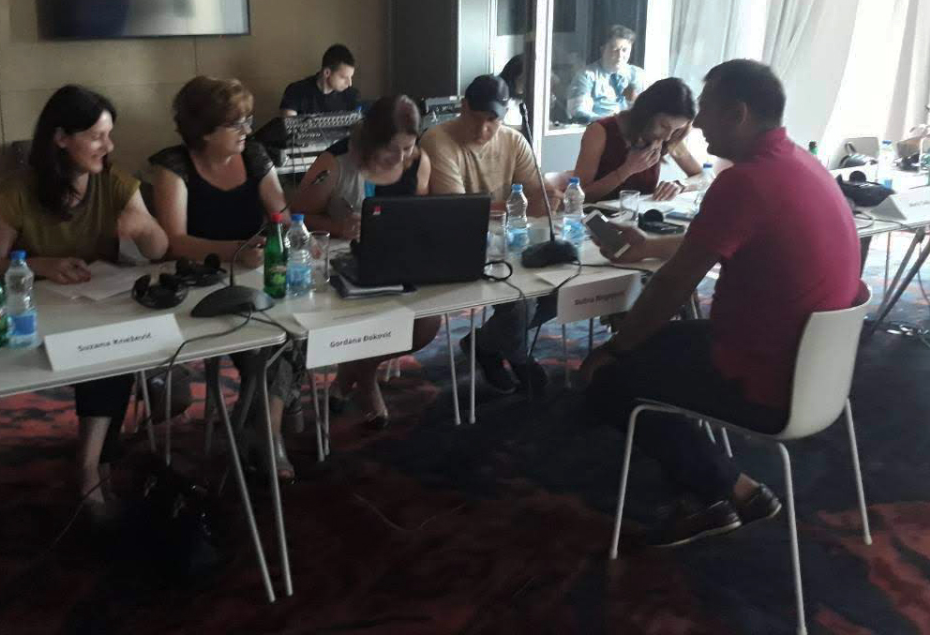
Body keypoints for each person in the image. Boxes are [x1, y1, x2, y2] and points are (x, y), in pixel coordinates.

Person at [581, 60, 861, 547]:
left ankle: (727, 492)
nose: (696, 126)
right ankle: (707, 489)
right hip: (815, 365)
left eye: (705, 111)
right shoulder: (800, 163)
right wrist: (649, 247)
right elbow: (720, 242)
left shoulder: (745, 182)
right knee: (657, 347)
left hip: (764, 373)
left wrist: (614, 348)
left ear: (737, 114)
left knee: (610, 379)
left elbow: (673, 286)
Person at [0, 85, 169, 515]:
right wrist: (38, 264)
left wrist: (143, 228)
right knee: (109, 350)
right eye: (97, 136)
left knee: (113, 349)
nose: (109, 146)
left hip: (98, 307)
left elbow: (160, 249)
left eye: (109, 135)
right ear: (60, 138)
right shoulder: (16, 192)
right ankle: (94, 466)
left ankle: (90, 465)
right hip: (35, 317)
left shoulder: (114, 181)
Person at [149, 77, 299, 479]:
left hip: (254, 277)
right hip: (197, 287)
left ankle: (265, 429)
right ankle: (266, 430)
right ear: (204, 130)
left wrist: (288, 235)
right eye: (236, 124)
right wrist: (236, 250)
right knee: (270, 343)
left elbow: (281, 216)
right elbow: (174, 242)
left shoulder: (254, 155)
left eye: (248, 120)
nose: (247, 130)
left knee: (291, 334)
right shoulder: (173, 166)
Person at [292, 95, 442, 427]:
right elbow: (297, 216)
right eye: (393, 150)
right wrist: (338, 227)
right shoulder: (335, 162)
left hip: (396, 259)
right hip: (342, 266)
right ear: (372, 140)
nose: (401, 158)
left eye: (408, 148)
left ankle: (357, 371)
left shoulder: (418, 161)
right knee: (365, 316)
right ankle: (365, 381)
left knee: (428, 323)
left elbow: (420, 214)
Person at [421, 74, 561, 394]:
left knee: (562, 285)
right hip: (461, 246)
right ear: (463, 107)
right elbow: (460, 211)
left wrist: (549, 198)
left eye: (493, 121)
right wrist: (520, 205)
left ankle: (484, 343)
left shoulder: (513, 140)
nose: (483, 129)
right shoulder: (437, 140)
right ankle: (519, 356)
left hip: (511, 241)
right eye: (476, 118)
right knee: (521, 302)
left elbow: (536, 194)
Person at [573, 77, 704, 203]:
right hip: (598, 215)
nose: (668, 137)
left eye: (677, 129)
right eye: (664, 126)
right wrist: (627, 169)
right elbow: (579, 196)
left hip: (640, 214)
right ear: (647, 113)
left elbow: (704, 177)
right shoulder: (600, 131)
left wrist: (681, 184)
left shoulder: (669, 138)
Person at [567, 25, 647, 123]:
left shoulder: (637, 75)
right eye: (615, 50)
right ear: (603, 49)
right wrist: (612, 122)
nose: (620, 55)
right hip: (600, 129)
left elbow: (647, 108)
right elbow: (579, 112)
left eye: (624, 50)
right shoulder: (586, 76)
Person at [280, 43, 360, 116]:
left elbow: (357, 125)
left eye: (350, 77)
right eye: (344, 77)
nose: (349, 83)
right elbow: (289, 124)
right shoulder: (296, 91)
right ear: (327, 73)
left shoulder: (351, 95)